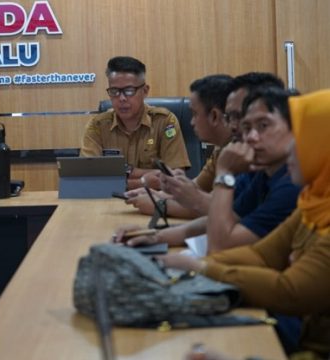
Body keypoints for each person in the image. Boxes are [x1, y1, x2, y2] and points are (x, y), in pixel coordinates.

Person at [160, 88, 330, 359]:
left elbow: (290, 291)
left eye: (301, 137)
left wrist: (201, 268)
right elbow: (261, 255)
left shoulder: (294, 189)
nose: (291, 149)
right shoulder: (314, 202)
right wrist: (188, 265)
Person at [116, 86, 300, 254]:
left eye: (263, 125)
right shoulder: (262, 172)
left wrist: (224, 174)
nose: (249, 136)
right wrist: (155, 235)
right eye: (246, 125)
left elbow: (219, 244)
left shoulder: (291, 185)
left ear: (297, 126)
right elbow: (231, 217)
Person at [125, 74, 234, 218]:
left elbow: (218, 210)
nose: (192, 122)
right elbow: (196, 190)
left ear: (214, 116)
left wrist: (161, 206)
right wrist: (156, 194)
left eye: (195, 114)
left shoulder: (239, 152)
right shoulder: (220, 148)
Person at [80, 56, 190, 190]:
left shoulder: (164, 121)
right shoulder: (97, 125)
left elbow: (176, 179)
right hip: (108, 204)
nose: (121, 98)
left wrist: (119, 175)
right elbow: (87, 178)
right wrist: (143, 181)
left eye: (129, 91)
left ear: (145, 91)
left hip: (153, 204)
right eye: (114, 91)